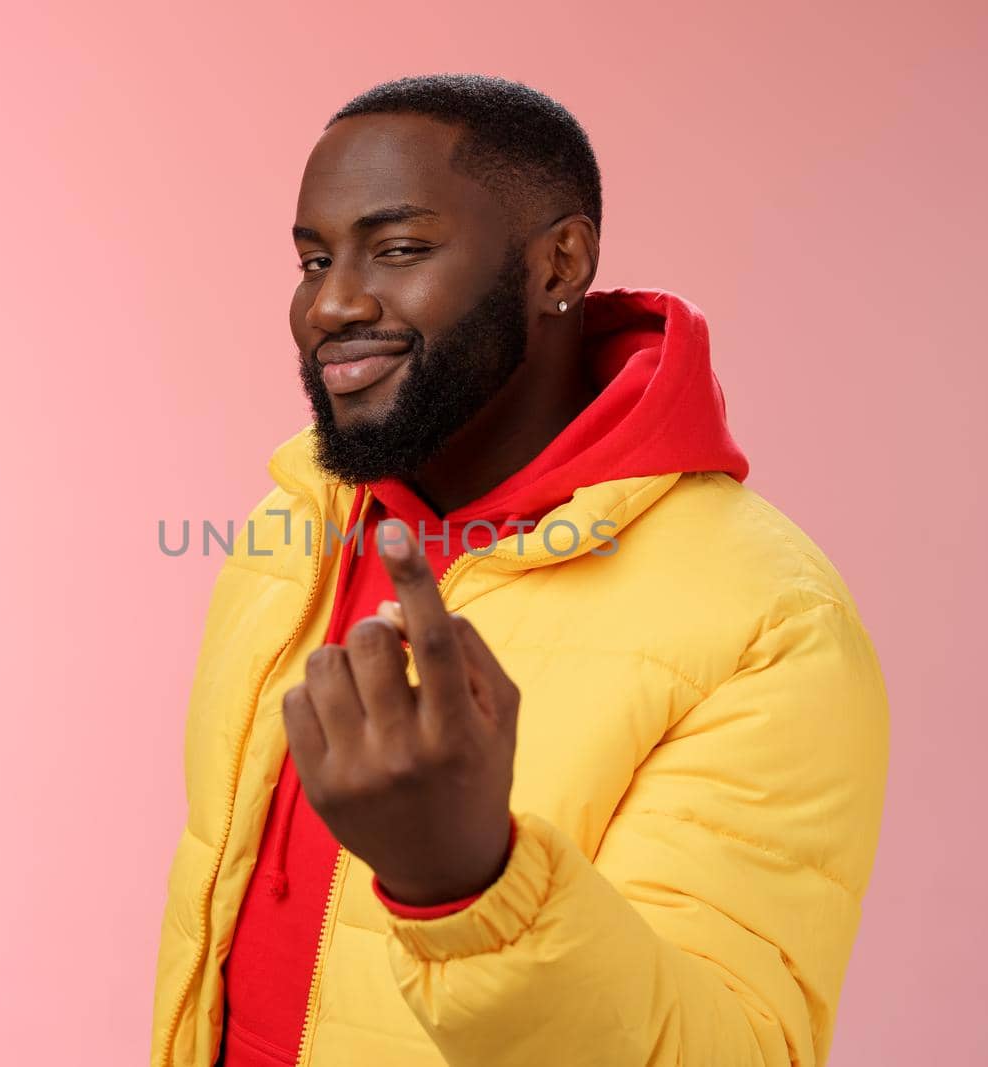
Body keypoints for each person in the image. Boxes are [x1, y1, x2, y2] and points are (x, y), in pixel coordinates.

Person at [149, 73, 889, 1067]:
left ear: (559, 263)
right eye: (313, 257)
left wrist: (466, 884)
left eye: (399, 249)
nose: (329, 302)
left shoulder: (768, 617)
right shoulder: (294, 525)